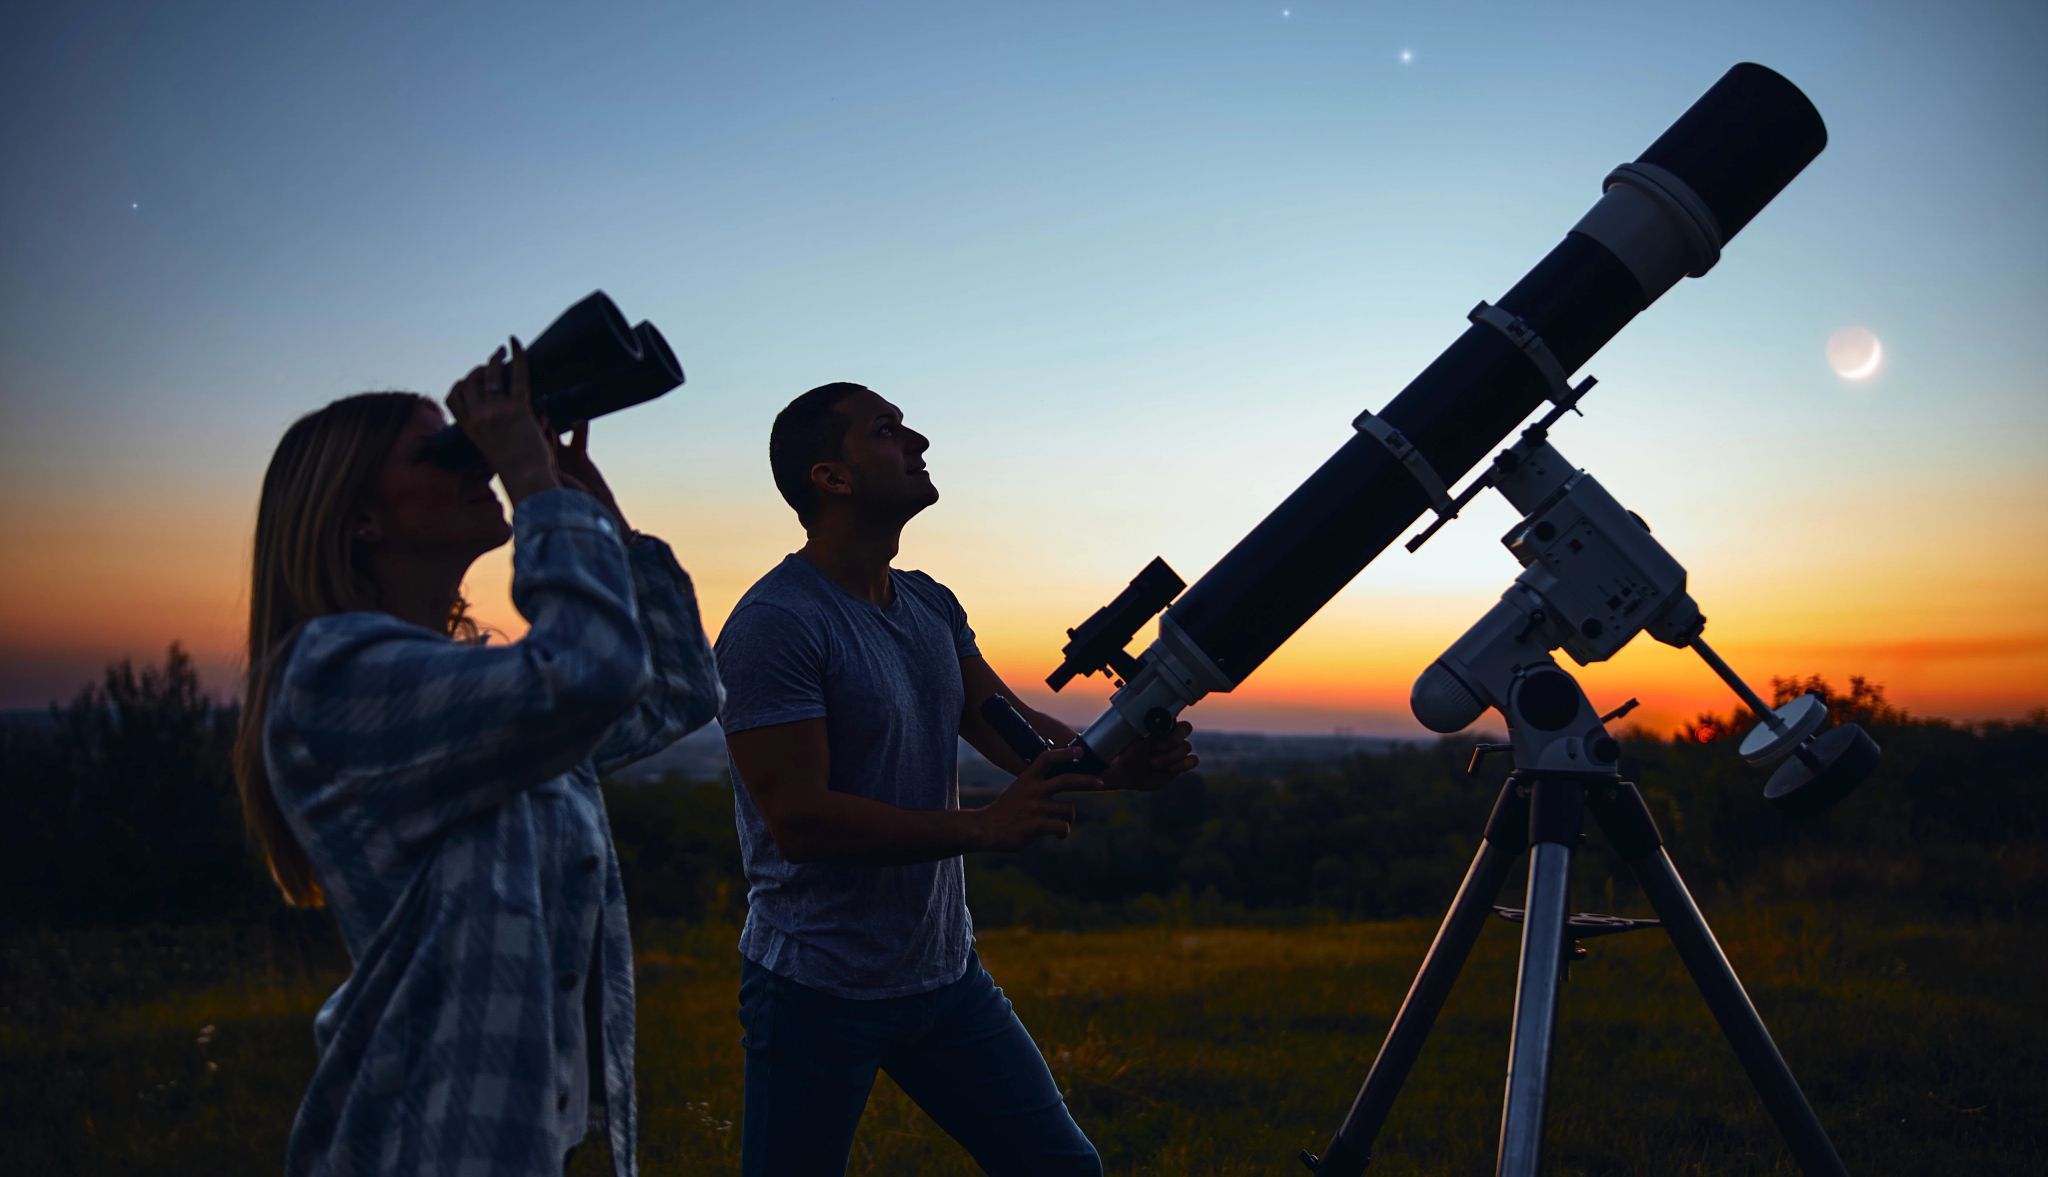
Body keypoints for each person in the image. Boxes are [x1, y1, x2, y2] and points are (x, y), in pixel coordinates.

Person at [230, 341, 721, 1176]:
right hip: (424, 1140)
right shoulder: (332, 679)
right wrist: (533, 486)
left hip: (528, 1137)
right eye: (444, 451)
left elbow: (674, 690)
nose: (480, 464)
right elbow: (591, 669)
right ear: (361, 519)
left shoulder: (473, 693)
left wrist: (602, 523)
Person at [715, 381, 1198, 1175]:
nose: (919, 443)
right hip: (816, 986)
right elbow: (799, 823)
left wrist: (1120, 768)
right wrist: (984, 826)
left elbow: (1012, 732)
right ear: (831, 478)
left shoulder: (930, 604)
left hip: (942, 976)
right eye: (888, 431)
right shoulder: (777, 622)